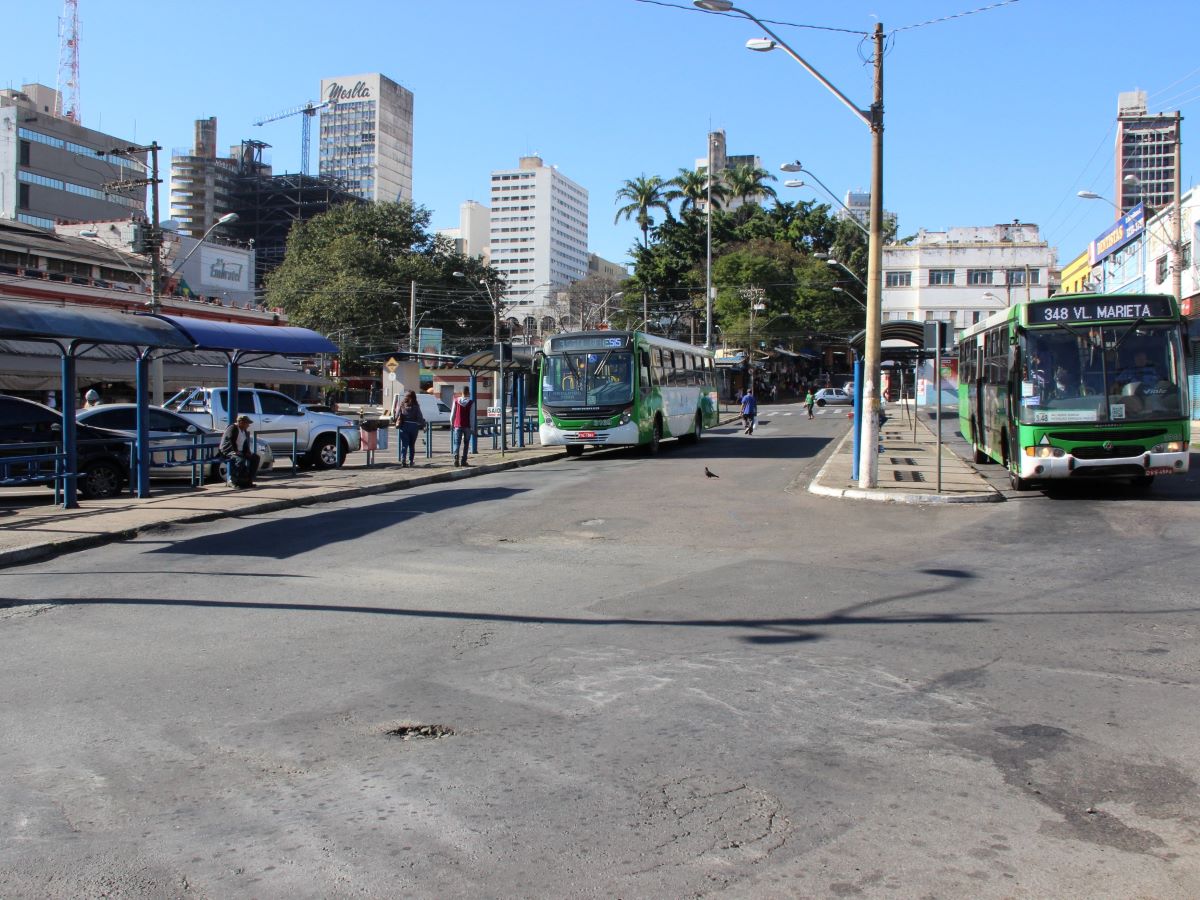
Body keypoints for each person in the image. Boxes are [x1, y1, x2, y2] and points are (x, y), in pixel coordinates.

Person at [219, 414, 260, 488]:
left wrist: (247, 452)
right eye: (247, 423)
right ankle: (232, 481)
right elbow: (230, 439)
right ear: (241, 422)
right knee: (240, 460)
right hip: (229, 451)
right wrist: (235, 451)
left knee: (255, 458)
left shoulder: (243, 431)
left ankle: (248, 480)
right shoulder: (232, 428)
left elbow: (245, 443)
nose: (248, 425)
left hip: (240, 451)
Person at [394, 390, 426, 468]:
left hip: (404, 426)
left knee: (404, 445)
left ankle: (403, 460)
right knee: (412, 445)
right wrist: (423, 424)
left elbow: (396, 416)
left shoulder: (402, 405)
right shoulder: (416, 406)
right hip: (413, 427)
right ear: (414, 397)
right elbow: (419, 417)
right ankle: (411, 461)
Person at [450, 385, 475, 467]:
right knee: (466, 443)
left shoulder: (456, 401)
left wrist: (452, 423)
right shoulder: (471, 402)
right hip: (467, 426)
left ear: (462, 392)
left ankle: (456, 458)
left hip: (457, 425)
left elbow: (453, 413)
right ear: (468, 393)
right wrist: (472, 427)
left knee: (457, 442)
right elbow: (472, 416)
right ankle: (464, 460)